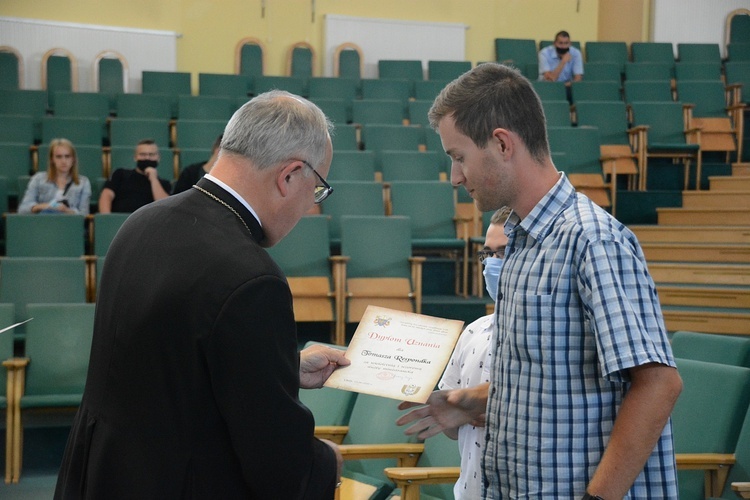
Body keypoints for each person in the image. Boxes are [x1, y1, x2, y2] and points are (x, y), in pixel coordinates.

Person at [397, 63, 682, 499]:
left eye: (458, 157)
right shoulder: (520, 244)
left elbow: (658, 384)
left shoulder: (592, 238)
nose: (455, 177)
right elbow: (557, 388)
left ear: (501, 143)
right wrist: (478, 403)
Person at [55, 90, 348, 499]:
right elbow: (273, 459)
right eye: (316, 189)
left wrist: (279, 367)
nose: (311, 207)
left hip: (103, 473)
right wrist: (324, 463)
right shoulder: (252, 276)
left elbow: (161, 364)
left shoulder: (142, 222)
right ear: (289, 175)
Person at [437, 207, 509, 500]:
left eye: (504, 252)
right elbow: (451, 427)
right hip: (471, 491)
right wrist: (457, 411)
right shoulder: (473, 331)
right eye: (487, 254)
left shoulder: (557, 332)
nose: (492, 263)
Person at [18, 138, 92, 215]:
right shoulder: (38, 179)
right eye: (59, 157)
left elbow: (84, 214)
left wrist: (67, 211)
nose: (63, 161)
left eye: (67, 156)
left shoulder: (83, 182)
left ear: (73, 159)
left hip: (69, 223)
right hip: (42, 222)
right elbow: (23, 210)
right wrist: (44, 206)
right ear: (52, 159)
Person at [98, 138, 171, 213]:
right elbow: (106, 196)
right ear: (135, 157)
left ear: (158, 158)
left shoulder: (164, 184)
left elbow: (165, 208)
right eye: (142, 154)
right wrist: (107, 219)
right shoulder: (120, 174)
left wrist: (153, 179)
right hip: (121, 221)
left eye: (151, 155)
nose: (147, 158)